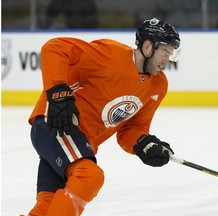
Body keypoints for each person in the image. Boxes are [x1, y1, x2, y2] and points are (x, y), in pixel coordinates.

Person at [27, 17, 180, 216]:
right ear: (148, 47)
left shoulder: (158, 87)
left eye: (171, 54)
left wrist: (144, 144)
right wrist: (57, 92)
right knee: (89, 176)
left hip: (81, 142)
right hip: (57, 123)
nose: (167, 61)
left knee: (47, 205)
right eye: (165, 53)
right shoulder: (110, 55)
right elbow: (55, 48)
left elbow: (131, 129)